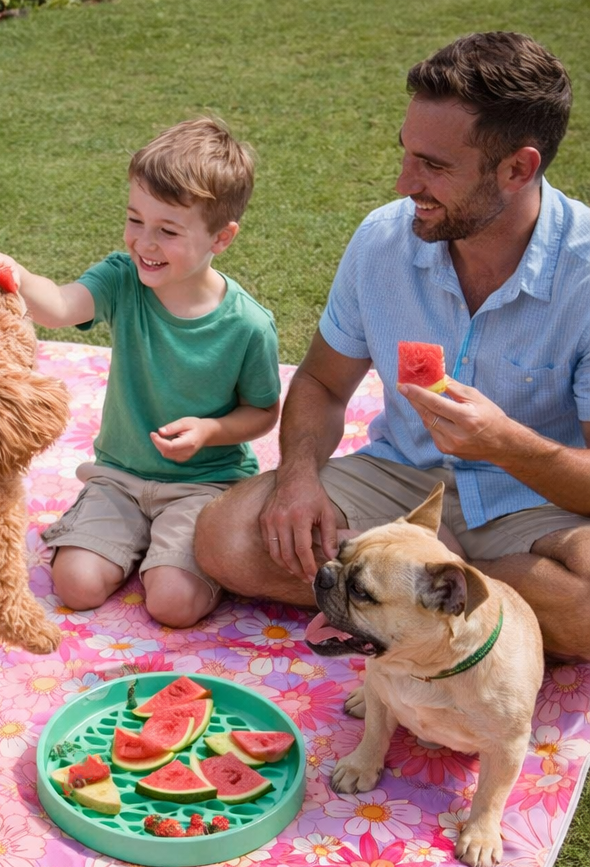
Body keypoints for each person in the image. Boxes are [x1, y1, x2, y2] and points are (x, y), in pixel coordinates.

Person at [195, 32, 590, 662]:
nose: (406, 182)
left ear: (517, 168)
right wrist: (298, 480)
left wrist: (503, 442)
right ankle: (438, 597)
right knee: (226, 537)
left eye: (434, 165)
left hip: (534, 501)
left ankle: (432, 585)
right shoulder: (383, 241)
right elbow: (323, 383)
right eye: (407, 154)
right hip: (401, 478)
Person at [0, 116, 281, 628]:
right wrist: (15, 274)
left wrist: (210, 431)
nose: (144, 244)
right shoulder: (121, 278)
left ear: (221, 238)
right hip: (120, 476)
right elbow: (61, 306)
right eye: (135, 220)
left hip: (205, 483)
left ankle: (173, 556)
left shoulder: (248, 325)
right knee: (77, 585)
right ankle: (133, 543)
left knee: (173, 604)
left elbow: (263, 412)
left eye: (168, 231)